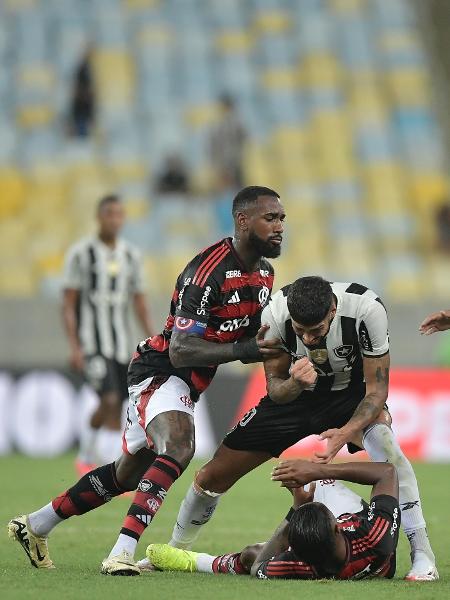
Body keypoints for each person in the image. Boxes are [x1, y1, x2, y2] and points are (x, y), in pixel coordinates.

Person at [8, 185, 285, 575]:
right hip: (161, 371)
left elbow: (247, 334)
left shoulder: (265, 274)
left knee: (127, 474)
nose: (279, 227)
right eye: (270, 218)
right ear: (242, 221)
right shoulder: (207, 272)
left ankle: (35, 525)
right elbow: (181, 350)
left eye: (281, 219)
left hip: (188, 382)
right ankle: (121, 553)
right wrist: (244, 352)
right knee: (180, 445)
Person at [160, 276, 438, 582]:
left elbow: (377, 391)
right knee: (211, 475)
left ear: (332, 310)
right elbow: (275, 388)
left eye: (315, 330)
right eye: (299, 330)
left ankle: (422, 555)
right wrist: (294, 383)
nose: (306, 339)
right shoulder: (275, 314)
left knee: (389, 450)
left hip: (351, 397)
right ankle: (176, 549)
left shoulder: (367, 309)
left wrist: (345, 433)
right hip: (295, 400)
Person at [147, 460, 400, 581]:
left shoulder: (299, 565)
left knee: (249, 554)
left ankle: (195, 561)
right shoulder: (376, 535)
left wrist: (297, 507)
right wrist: (321, 469)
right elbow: (387, 472)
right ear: (337, 525)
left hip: (332, 549)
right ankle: (424, 560)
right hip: (365, 550)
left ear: (296, 552)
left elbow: (258, 566)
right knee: (319, 480)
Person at [62, 194, 154, 472]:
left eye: (119, 214)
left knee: (121, 404)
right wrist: (75, 346)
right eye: (109, 214)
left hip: (122, 344)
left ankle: (103, 461)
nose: (114, 220)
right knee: (109, 398)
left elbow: (139, 302)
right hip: (93, 343)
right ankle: (91, 459)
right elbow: (68, 303)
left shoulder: (130, 256)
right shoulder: (81, 254)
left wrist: (152, 338)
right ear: (99, 217)